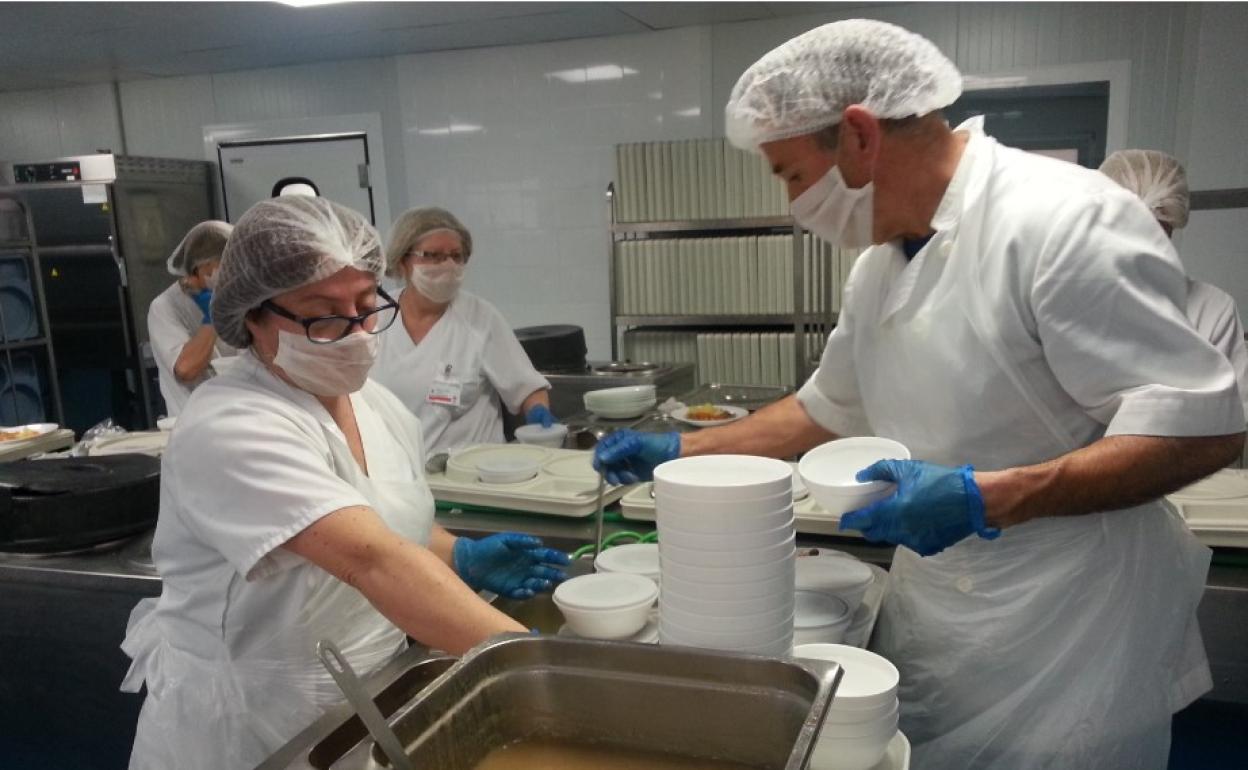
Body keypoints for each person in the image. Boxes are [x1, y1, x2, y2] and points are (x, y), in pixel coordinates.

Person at [594, 20, 1244, 770]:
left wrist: (986, 498)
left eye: (791, 174)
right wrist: (682, 450)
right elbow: (822, 409)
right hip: (941, 602)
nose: (793, 203)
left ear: (861, 137)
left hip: (1070, 618)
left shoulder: (1062, 220)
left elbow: (1202, 429)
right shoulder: (880, 265)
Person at [120, 197, 568, 770]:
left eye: (364, 306)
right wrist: (547, 674)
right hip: (247, 722)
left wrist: (461, 553)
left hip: (364, 695)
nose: (358, 333)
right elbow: (371, 559)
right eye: (324, 314)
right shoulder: (232, 425)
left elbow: (382, 520)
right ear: (252, 320)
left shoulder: (373, 404)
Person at [371, 207, 554, 455]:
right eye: (433, 255)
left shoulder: (480, 318)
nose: (448, 265)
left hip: (469, 480)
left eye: (456, 256)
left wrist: (537, 413)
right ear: (403, 260)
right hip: (395, 476)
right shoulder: (375, 316)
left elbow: (527, 389)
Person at [1100, 149, 1248, 419]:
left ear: (1171, 229)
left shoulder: (1211, 309)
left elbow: (1234, 414)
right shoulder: (1065, 298)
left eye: (1157, 233)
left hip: (1180, 458)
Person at [146, 220, 237, 416]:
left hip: (238, 413)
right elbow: (186, 369)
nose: (230, 275)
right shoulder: (165, 307)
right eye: (222, 267)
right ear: (197, 270)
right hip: (194, 421)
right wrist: (213, 318)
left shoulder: (235, 297)